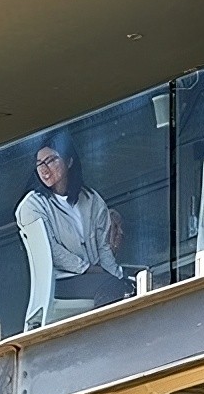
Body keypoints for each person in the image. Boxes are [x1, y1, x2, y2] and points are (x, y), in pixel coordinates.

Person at [17, 136, 126, 317]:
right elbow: (51, 251)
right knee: (111, 286)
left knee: (124, 283)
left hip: (94, 276)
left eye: (51, 160)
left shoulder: (91, 199)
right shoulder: (32, 205)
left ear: (69, 161)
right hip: (60, 280)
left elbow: (103, 247)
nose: (44, 169)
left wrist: (115, 274)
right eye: (39, 164)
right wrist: (87, 268)